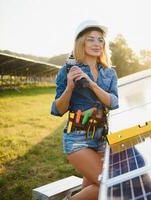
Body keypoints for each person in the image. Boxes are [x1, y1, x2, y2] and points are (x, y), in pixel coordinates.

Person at [50, 20, 119, 200]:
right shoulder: (67, 70)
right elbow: (58, 110)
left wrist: (92, 85)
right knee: (108, 184)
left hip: (101, 138)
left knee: (94, 191)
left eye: (100, 40)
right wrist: (70, 86)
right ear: (81, 43)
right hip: (78, 138)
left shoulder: (109, 73)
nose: (97, 44)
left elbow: (113, 102)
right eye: (91, 39)